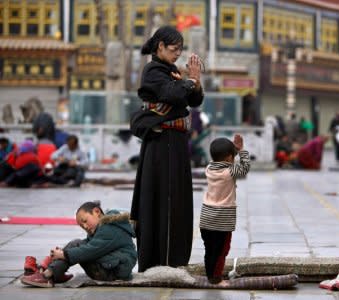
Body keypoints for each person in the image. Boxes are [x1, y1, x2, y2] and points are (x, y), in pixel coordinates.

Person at [130, 25, 204, 271]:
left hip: (177, 144)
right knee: (161, 198)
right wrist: (189, 81)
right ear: (159, 47)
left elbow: (193, 100)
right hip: (162, 145)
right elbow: (172, 95)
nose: (177, 55)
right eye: (174, 50)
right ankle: (157, 259)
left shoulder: (171, 71)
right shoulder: (153, 71)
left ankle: (175, 257)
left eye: (180, 51)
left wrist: (196, 81)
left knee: (178, 199)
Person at [20, 201, 137, 287]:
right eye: (82, 226)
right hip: (112, 267)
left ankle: (47, 275)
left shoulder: (110, 228)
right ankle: (54, 272)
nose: (85, 226)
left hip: (114, 272)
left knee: (76, 245)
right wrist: (62, 253)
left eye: (85, 221)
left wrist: (64, 254)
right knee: (76, 245)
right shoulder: (102, 228)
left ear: (96, 212)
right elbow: (88, 245)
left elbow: (90, 250)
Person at [199, 134, 250, 285]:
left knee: (210, 250)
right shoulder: (230, 171)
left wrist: (232, 151)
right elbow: (245, 168)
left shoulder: (209, 169)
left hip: (206, 216)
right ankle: (216, 279)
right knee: (221, 250)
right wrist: (241, 151)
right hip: (222, 218)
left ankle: (211, 275)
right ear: (229, 158)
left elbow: (219, 159)